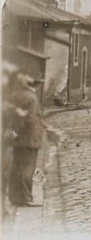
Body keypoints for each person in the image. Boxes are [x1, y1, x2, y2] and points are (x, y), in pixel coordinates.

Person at [5, 73, 57, 207]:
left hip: (17, 139)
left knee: (16, 167)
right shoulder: (32, 98)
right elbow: (30, 120)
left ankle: (14, 197)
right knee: (28, 169)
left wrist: (14, 132)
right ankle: (26, 198)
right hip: (29, 139)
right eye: (38, 84)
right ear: (34, 85)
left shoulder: (14, 96)